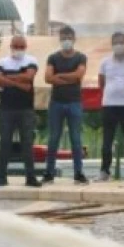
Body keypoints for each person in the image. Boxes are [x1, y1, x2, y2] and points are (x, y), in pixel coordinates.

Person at [0, 35, 42, 188]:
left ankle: (30, 177)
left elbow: (29, 77)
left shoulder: (31, 60)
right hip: (6, 108)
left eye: (22, 46)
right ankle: (1, 177)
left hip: (25, 109)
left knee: (27, 143)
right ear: (11, 46)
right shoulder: (2, 62)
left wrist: (8, 79)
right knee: (5, 143)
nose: (19, 49)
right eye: (16, 46)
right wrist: (20, 84)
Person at [43, 25, 89, 184]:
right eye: (63, 38)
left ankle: (78, 172)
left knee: (76, 139)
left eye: (69, 37)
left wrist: (59, 75)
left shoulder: (81, 57)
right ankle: (49, 172)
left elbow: (79, 75)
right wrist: (69, 78)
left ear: (74, 39)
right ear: (59, 39)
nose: (66, 41)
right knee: (53, 138)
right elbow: (48, 78)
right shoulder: (53, 57)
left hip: (74, 102)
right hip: (56, 102)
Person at [97, 32, 124, 182]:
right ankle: (104, 170)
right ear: (112, 44)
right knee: (107, 140)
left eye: (121, 42)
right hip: (109, 105)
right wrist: (110, 94)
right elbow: (101, 83)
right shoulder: (105, 62)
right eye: (116, 42)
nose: (118, 45)